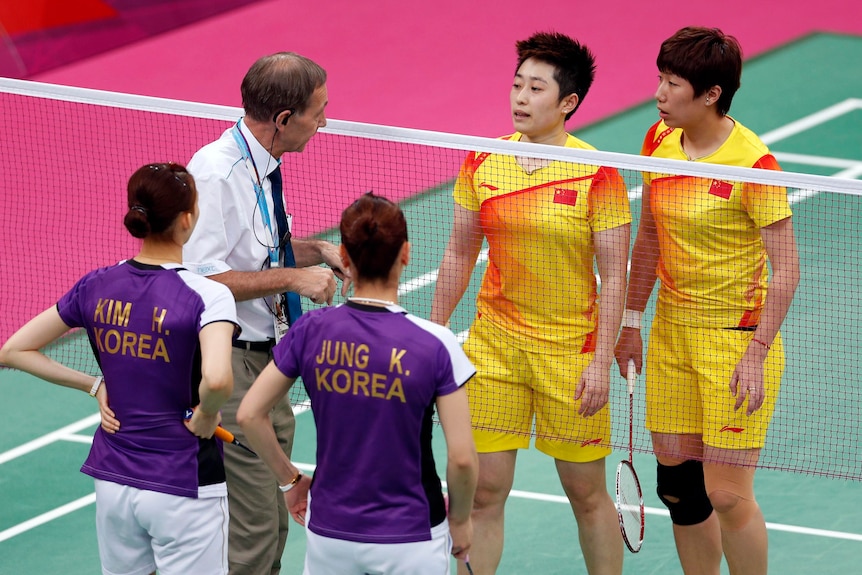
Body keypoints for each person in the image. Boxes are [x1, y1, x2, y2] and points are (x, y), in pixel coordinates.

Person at [431, 32, 630, 575]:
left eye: (536, 87)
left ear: (568, 102)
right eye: (517, 84)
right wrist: (432, 332)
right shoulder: (483, 160)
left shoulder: (598, 172)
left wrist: (599, 361)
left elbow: (615, 277)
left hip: (570, 354)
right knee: (484, 492)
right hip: (495, 349)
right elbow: (458, 253)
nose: (520, 97)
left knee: (586, 493)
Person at [614, 27, 800, 575]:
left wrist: (757, 352)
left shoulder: (752, 164)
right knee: (680, 490)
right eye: (660, 79)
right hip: (672, 332)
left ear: (711, 95)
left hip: (734, 340)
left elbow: (787, 267)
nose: (659, 94)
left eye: (673, 84)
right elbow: (648, 235)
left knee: (727, 495)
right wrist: (630, 321)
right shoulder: (658, 139)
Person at [0, 163, 238, 575]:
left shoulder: (96, 285)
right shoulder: (209, 296)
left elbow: (14, 349)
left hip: (113, 481)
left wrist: (94, 385)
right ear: (187, 220)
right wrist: (206, 415)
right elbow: (217, 380)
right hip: (183, 482)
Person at [236, 192, 479, 574]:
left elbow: (250, 414)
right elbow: (462, 458)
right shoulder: (435, 343)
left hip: (330, 532)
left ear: (344, 259)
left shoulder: (311, 331)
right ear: (406, 254)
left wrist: (290, 481)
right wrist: (461, 521)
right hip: (412, 534)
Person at [181, 52, 349, 574]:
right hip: (229, 367)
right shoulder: (216, 173)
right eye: (317, 112)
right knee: (254, 534)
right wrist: (295, 279)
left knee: (274, 522)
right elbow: (200, 280)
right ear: (283, 119)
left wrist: (316, 251)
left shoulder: (261, 165)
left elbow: (255, 255)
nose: (323, 122)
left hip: (269, 365)